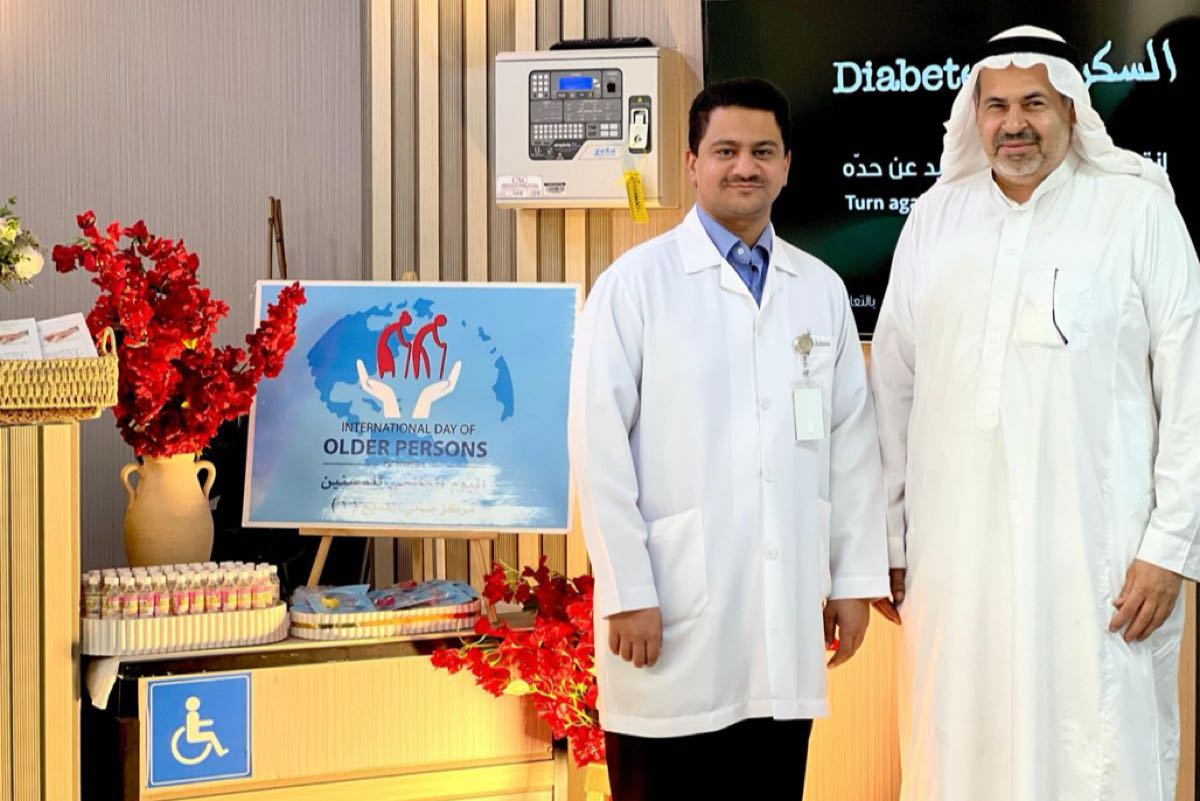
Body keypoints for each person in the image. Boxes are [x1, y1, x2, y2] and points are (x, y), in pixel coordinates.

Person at [871, 25, 1200, 801]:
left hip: (1102, 556)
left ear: (1071, 110)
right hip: (955, 556)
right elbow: (891, 389)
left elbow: (1189, 381)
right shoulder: (935, 218)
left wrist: (1170, 545)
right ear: (974, 115)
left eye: (1034, 104)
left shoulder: (1137, 210)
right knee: (958, 737)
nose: (1013, 123)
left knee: (1095, 743)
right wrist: (888, 534)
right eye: (997, 106)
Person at [568, 77, 889, 800]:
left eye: (763, 151)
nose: (745, 166)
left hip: (784, 621)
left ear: (787, 164)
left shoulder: (820, 289)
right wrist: (628, 590)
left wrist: (853, 581)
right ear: (692, 162)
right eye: (726, 150)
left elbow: (850, 444)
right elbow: (597, 447)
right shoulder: (634, 286)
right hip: (670, 618)